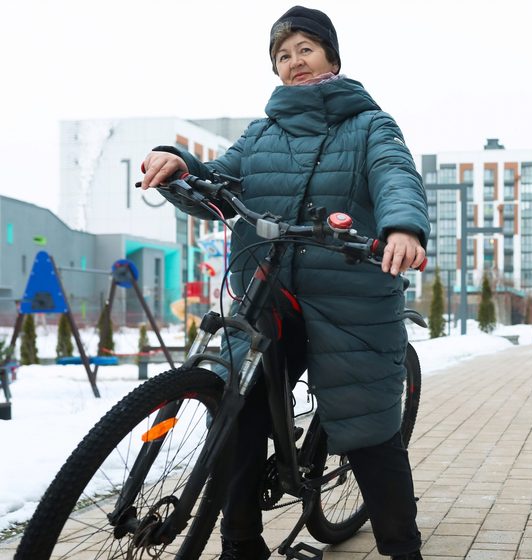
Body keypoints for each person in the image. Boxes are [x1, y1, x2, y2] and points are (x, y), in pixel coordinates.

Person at [140, 6, 428, 560]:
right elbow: (217, 180)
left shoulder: (371, 125)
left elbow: (396, 176)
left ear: (331, 58)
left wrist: (402, 228)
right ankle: (241, 543)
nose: (295, 61)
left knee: (366, 423)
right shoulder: (262, 134)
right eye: (283, 54)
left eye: (305, 49)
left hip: (350, 295)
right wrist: (178, 165)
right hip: (269, 290)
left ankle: (402, 547)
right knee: (238, 407)